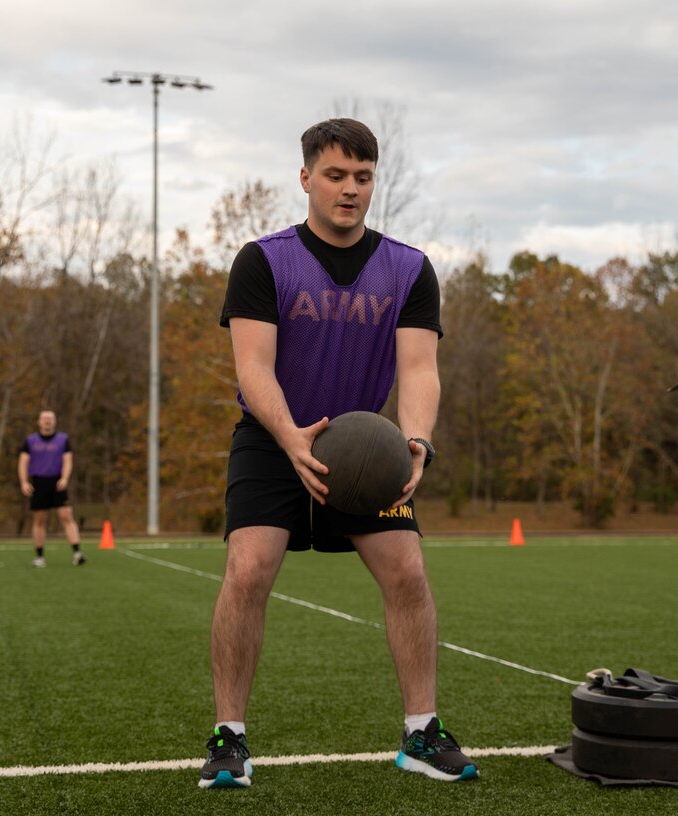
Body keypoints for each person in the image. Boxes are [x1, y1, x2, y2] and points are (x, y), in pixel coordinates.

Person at [199, 118, 477, 789]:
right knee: (248, 569)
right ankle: (228, 738)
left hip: (361, 449)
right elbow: (253, 366)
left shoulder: (409, 268)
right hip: (273, 442)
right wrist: (291, 434)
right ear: (306, 179)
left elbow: (418, 370)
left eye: (363, 177)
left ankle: (420, 733)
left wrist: (417, 440)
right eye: (336, 175)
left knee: (408, 572)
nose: (350, 189)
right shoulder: (263, 260)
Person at [18, 409, 85, 568]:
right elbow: (23, 462)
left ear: (55, 421)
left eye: (50, 418)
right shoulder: (30, 441)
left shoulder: (63, 440)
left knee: (66, 516)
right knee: (40, 519)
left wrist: (64, 478)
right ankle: (39, 557)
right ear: (39, 421)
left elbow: (68, 460)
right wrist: (24, 482)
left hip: (57, 482)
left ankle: (77, 552)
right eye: (44, 418)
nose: (47, 421)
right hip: (39, 482)